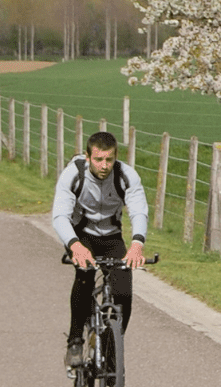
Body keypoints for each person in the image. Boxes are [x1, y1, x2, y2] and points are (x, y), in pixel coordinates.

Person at [51, 130, 149, 368]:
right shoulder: (73, 175)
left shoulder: (127, 176)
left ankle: (109, 348)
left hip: (112, 236)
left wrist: (137, 244)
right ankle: (75, 341)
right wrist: (75, 247)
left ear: (116, 158)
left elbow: (138, 211)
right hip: (80, 234)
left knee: (123, 294)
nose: (104, 165)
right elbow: (60, 216)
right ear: (88, 157)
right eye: (98, 159)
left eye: (109, 159)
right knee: (84, 278)